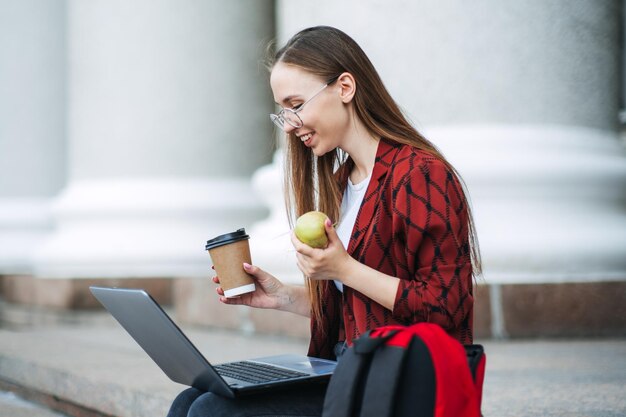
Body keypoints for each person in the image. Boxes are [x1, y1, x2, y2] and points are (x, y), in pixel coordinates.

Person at [167, 25, 481, 417]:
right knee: (190, 401)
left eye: (296, 104)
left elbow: (446, 307)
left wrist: (344, 268)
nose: (290, 123)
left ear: (345, 88)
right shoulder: (340, 183)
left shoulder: (420, 175)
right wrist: (283, 296)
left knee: (211, 411)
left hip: (398, 383)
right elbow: (358, 309)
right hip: (348, 370)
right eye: (282, 111)